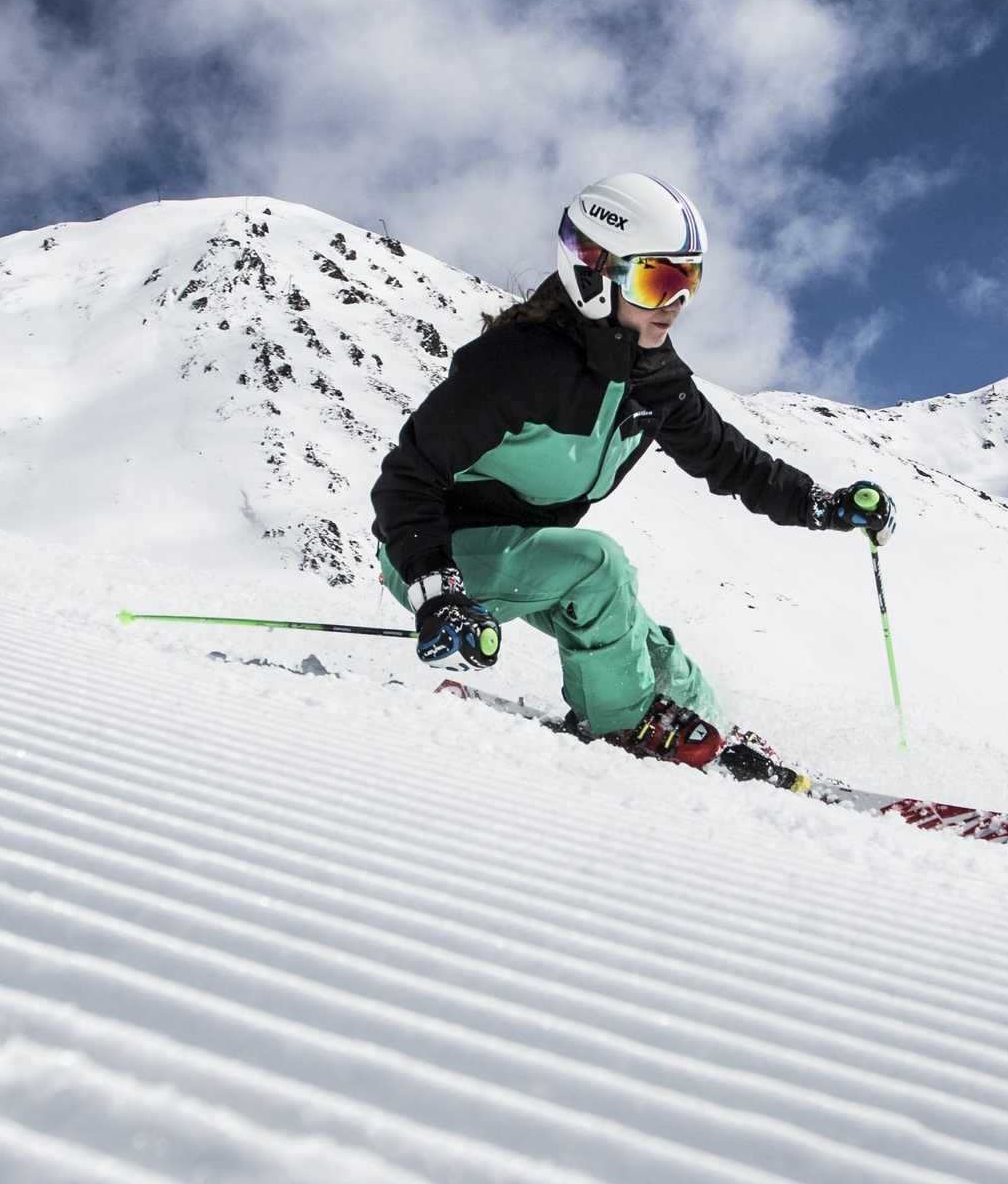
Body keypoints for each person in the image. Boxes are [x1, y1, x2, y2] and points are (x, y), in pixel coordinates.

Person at [370, 172, 898, 767]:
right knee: (599, 567)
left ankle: (716, 742)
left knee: (653, 651)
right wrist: (437, 591)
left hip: (529, 557)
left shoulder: (653, 380)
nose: (675, 304)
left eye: (688, 281)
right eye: (656, 281)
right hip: (433, 556)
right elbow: (407, 476)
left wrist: (820, 505)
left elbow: (731, 460)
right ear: (593, 273)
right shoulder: (520, 366)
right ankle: (622, 725)